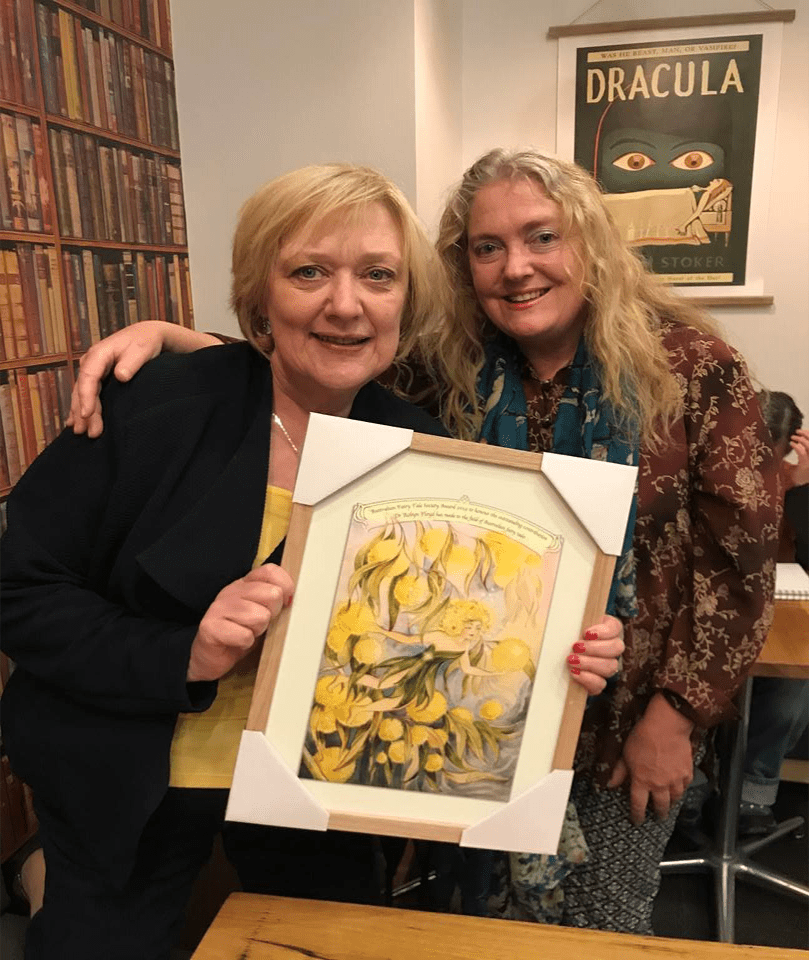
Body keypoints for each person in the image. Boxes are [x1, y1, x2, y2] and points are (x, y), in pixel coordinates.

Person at [66, 148, 781, 934]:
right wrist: (170, 337)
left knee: (601, 929)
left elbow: (738, 567)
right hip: (461, 714)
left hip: (621, 719)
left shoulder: (691, 368)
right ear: (461, 266)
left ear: (590, 243)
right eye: (486, 248)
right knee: (457, 928)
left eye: (542, 237)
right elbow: (322, 358)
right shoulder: (445, 368)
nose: (516, 267)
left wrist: (673, 719)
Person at [0, 162, 622, 960]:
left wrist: (559, 653)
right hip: (126, 784)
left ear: (407, 300)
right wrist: (180, 651)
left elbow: (446, 647)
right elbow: (19, 590)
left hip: (324, 799)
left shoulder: (422, 449)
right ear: (261, 296)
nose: (345, 303)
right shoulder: (154, 403)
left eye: (377, 276)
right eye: (309, 272)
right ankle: (42, 873)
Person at [738, 390, 809, 835]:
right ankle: (694, 790)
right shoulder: (715, 471)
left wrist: (802, 485)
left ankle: (752, 796)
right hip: (720, 604)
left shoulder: (795, 481)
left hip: (782, 609)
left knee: (789, 690)